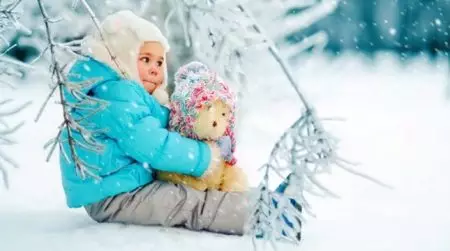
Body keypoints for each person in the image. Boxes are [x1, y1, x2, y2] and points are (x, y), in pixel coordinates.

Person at [59, 10, 301, 240]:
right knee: (189, 203)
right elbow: (151, 144)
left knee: (192, 192)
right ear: (122, 59)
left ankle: (263, 201)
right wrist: (205, 156)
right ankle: (270, 217)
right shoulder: (115, 95)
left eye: (159, 62)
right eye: (145, 59)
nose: (155, 69)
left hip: (126, 185)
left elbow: (161, 129)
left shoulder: (124, 94)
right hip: (113, 195)